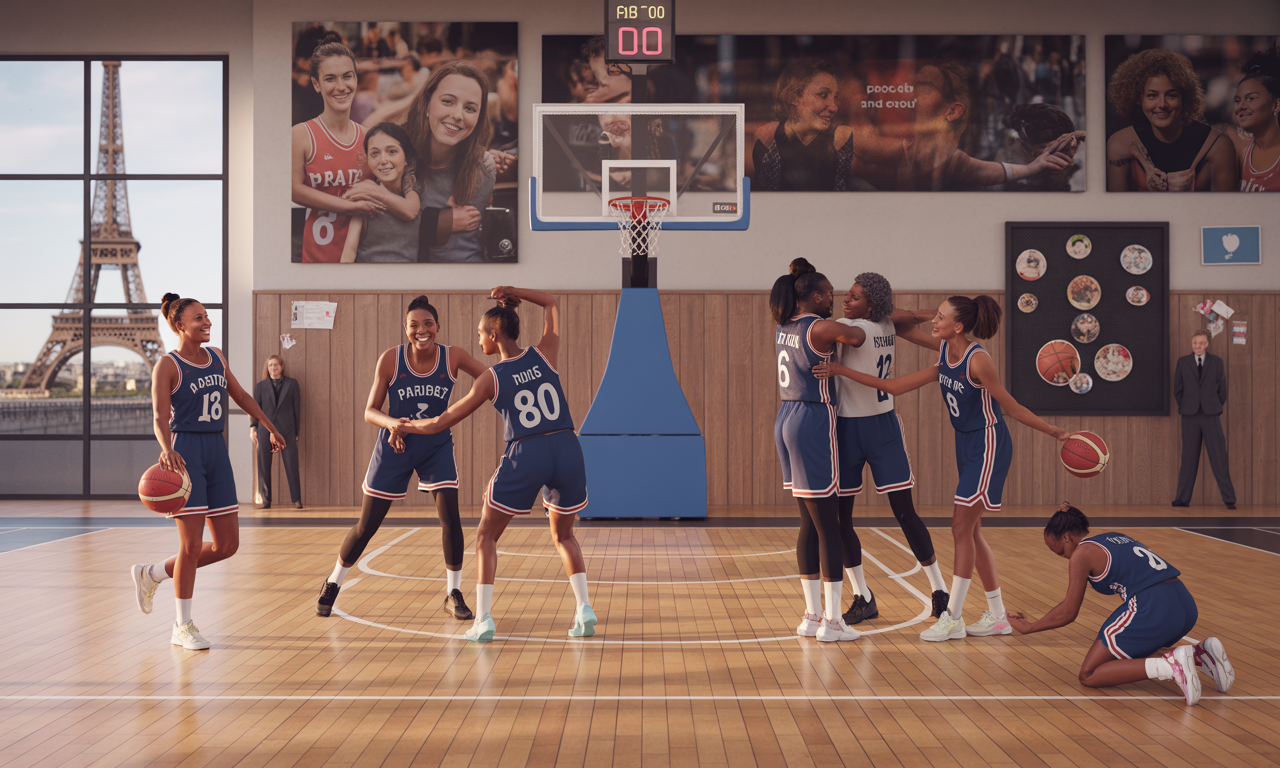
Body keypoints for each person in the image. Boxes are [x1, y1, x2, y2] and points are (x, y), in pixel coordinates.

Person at [820, 295, 1075, 643]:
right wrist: (841, 370)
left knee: (960, 527)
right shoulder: (943, 354)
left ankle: (952, 616)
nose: (933, 322)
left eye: (940, 317)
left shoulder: (978, 360)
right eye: (934, 316)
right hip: (966, 445)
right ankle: (998, 615)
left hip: (988, 443)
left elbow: (1012, 409)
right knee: (972, 532)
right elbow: (895, 379)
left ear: (958, 326)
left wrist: (1056, 432)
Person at [392, 287, 595, 643]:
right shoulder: (545, 355)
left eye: (481, 334)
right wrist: (516, 291)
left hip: (527, 452)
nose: (479, 339)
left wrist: (404, 425)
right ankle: (584, 608)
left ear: (494, 335)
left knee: (486, 535)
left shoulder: (491, 378)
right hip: (568, 447)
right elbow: (551, 302)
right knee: (564, 535)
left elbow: (441, 421)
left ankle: (483, 619)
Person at [316, 296, 488, 621]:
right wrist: (393, 423)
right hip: (395, 446)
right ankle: (333, 582)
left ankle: (453, 592)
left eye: (427, 324)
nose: (421, 330)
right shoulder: (391, 360)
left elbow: (489, 379)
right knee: (367, 525)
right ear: (405, 329)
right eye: (414, 325)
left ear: (437, 327)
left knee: (450, 518)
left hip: (435, 444)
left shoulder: (454, 357)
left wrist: (455, 411)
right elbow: (369, 411)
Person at [130, 294, 287, 650]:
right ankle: (181, 625)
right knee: (189, 545)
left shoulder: (216, 357)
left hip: (216, 451)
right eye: (199, 318)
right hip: (185, 452)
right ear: (179, 325)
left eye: (207, 316)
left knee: (227, 545)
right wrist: (166, 448)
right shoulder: (167, 366)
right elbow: (158, 416)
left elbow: (243, 395)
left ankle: (151, 573)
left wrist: (269, 426)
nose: (207, 322)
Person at [810, 274, 950, 623]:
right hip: (847, 428)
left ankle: (939, 588)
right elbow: (913, 315)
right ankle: (863, 596)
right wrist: (941, 325)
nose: (846, 300)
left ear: (870, 305)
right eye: (847, 294)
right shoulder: (886, 320)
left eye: (855, 297)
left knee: (904, 512)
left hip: (880, 427)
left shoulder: (853, 328)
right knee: (843, 518)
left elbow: (852, 331)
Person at [1007, 503, 1235, 706]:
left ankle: (1170, 666)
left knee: (1089, 674)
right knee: (1137, 647)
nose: (1061, 556)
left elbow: (1068, 612)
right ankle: (1201, 653)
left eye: (1058, 550)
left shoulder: (1081, 554)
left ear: (1067, 537)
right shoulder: (1113, 537)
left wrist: (1030, 627)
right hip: (1183, 603)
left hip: (1154, 605)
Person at [770, 258, 862, 643]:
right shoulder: (820, 327)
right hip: (812, 420)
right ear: (815, 296)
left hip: (785, 417)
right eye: (830, 295)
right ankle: (833, 622)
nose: (834, 300)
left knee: (808, 523)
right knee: (829, 525)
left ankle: (811, 615)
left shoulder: (784, 326)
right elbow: (855, 336)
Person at [291, 34, 381, 263]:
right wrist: (348, 207)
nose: (341, 87)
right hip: (315, 260)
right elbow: (293, 189)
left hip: (361, 260)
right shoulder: (301, 134)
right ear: (316, 84)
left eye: (347, 77)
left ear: (356, 79)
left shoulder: (367, 137)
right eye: (330, 78)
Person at [402, 61, 496, 263]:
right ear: (426, 105)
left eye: (470, 108)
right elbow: (383, 230)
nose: (457, 115)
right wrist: (443, 221)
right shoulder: (397, 154)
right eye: (447, 101)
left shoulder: (482, 167)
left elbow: (460, 251)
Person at [1105, 48, 1237, 192]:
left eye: (1171, 95)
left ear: (1184, 98)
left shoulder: (1219, 145)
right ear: (1139, 98)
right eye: (1152, 96)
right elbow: (1119, 210)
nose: (1162, 104)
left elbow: (1227, 210)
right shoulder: (1119, 144)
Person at [752, 60, 857, 191]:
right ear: (793, 97)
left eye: (835, 97)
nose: (834, 107)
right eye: (823, 95)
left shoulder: (841, 136)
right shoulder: (768, 135)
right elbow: (763, 193)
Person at [1173, 329, 1236, 509]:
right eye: (1195, 343)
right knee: (1188, 458)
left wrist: (1215, 405)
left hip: (1211, 415)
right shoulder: (1183, 362)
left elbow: (1222, 390)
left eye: (1201, 343)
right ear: (1192, 343)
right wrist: (1186, 405)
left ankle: (1229, 499)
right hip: (1189, 415)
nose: (1197, 346)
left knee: (1219, 457)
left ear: (1207, 344)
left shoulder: (1217, 362)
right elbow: (1178, 389)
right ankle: (1182, 499)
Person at [341, 123, 422, 263]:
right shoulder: (364, 197)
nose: (383, 160)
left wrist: (376, 192)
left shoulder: (411, 192)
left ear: (407, 159)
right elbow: (349, 251)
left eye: (392, 151)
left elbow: (410, 211)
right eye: (375, 154)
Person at [1223, 47, 1280, 192]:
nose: (1240, 107)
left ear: (1276, 104)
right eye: (1237, 100)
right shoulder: (1239, 151)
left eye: (1250, 99)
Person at [250, 355, 301, 509]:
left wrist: (297, 432)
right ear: (268, 367)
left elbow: (297, 409)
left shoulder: (292, 384)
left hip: (287, 430)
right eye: (271, 365)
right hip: (264, 430)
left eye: (276, 365)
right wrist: (253, 428)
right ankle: (266, 501)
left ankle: (297, 500)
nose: (274, 368)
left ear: (282, 367)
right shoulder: (260, 386)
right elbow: (254, 408)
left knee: (292, 464)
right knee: (263, 464)